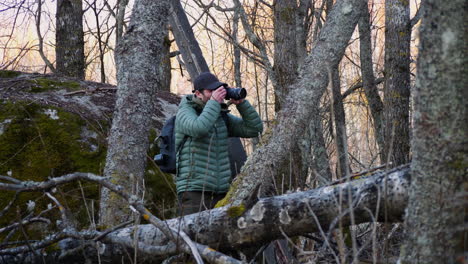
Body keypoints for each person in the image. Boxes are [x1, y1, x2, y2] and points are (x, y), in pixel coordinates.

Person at [175, 72, 263, 216]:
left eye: (218, 90)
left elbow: (254, 129)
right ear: (198, 93)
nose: (217, 94)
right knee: (194, 236)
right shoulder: (185, 111)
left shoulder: (219, 116)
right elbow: (199, 128)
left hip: (221, 192)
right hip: (194, 190)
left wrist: (242, 105)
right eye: (211, 91)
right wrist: (214, 103)